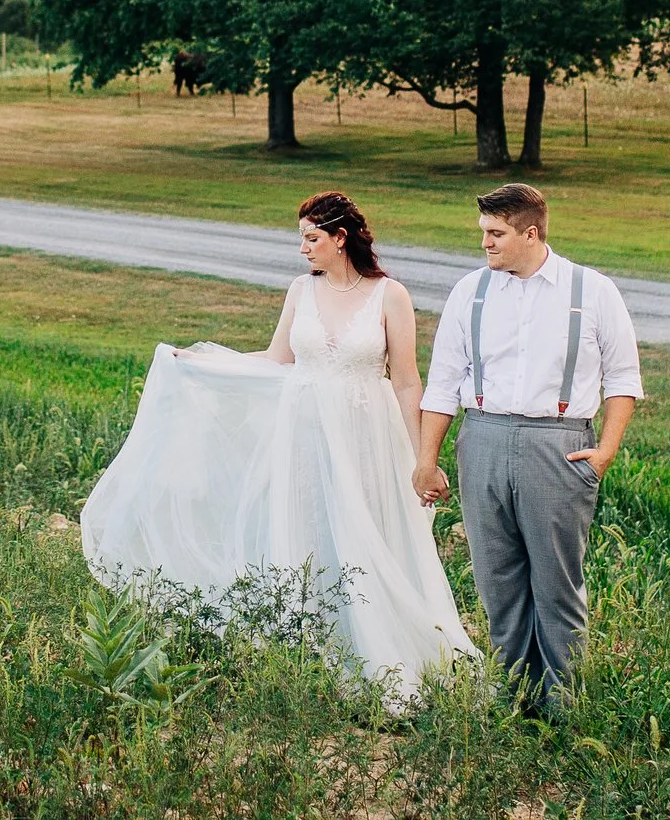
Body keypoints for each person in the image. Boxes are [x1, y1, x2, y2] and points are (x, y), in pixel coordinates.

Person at [81, 190, 477, 700]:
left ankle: (382, 658)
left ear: (341, 238)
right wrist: (203, 363)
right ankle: (311, 654)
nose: (303, 249)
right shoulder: (300, 291)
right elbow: (276, 360)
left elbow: (405, 381)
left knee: (368, 537)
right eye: (301, 239)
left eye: (312, 238)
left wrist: (421, 456)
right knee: (311, 533)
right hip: (305, 433)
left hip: (366, 438)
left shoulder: (389, 295)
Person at [413, 182, 642, 714]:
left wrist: (605, 450)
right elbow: (443, 381)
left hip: (558, 444)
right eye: (484, 234)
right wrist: (427, 460)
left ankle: (564, 704)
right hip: (484, 437)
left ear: (530, 233)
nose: (485, 244)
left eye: (496, 234)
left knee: (557, 583)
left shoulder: (592, 291)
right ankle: (511, 697)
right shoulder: (469, 291)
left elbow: (624, 377)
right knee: (497, 579)